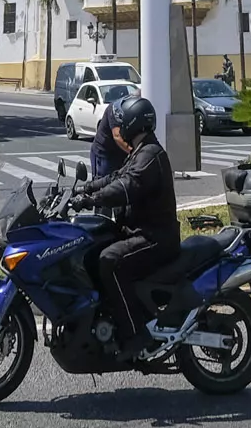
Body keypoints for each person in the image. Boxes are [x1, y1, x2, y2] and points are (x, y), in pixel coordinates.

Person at [72, 93, 177, 352]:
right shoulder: (141, 151)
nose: (119, 129)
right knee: (96, 244)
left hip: (154, 238)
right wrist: (85, 189)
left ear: (132, 123)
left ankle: (134, 333)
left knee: (109, 261)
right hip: (139, 232)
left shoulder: (150, 156)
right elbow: (115, 176)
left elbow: (125, 186)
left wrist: (91, 200)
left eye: (123, 123)